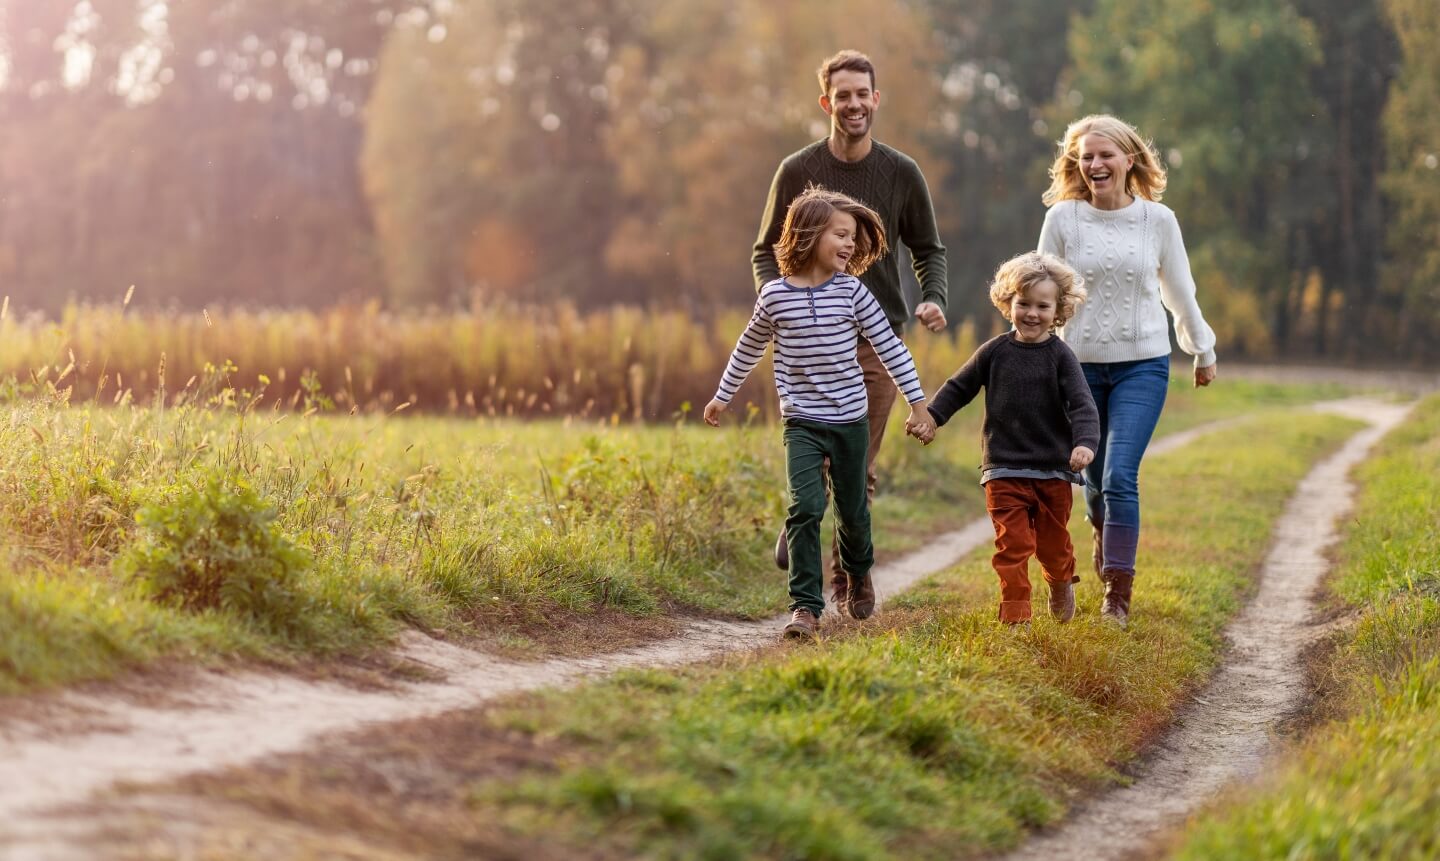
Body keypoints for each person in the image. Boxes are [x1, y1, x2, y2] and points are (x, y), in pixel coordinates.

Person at [752, 49, 948, 618]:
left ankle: (851, 583)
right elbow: (765, 252)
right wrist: (780, 301)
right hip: (808, 338)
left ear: (876, 99)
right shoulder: (796, 170)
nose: (854, 104)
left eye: (863, 93)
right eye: (843, 95)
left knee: (857, 467)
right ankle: (804, 519)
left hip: (877, 336)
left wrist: (933, 298)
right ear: (826, 103)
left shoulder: (902, 172)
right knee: (812, 461)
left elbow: (928, 249)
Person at [708, 187, 933, 640]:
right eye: (842, 235)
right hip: (802, 423)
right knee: (805, 507)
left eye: (853, 237)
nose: (850, 245)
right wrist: (722, 395)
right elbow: (749, 346)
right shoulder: (774, 297)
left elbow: (890, 348)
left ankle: (856, 574)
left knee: (852, 513)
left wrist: (918, 402)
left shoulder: (853, 293)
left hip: (850, 420)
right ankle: (805, 609)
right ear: (810, 234)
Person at [1037, 114, 1218, 628]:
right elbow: (1040, 289)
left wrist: (1200, 350)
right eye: (1085, 157)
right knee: (1093, 483)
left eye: (1104, 155)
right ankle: (1103, 531)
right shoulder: (1064, 220)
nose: (1094, 164)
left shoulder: (1158, 221)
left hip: (1143, 364)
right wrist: (1032, 357)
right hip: (1078, 371)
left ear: (1129, 159)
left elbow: (1179, 291)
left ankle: (1117, 594)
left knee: (1119, 475)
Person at [910, 251, 1099, 625]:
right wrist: (931, 417)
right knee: (1012, 547)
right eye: (1023, 303)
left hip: (1052, 471)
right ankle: (1016, 616)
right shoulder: (994, 352)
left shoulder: (1061, 357)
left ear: (1058, 310)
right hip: (1003, 467)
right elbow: (958, 387)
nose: (1032, 313)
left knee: (1052, 546)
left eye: (1042, 306)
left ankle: (1060, 581)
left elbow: (1083, 406)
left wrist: (1084, 444)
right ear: (1007, 303)